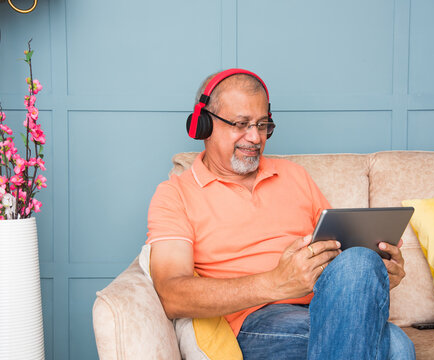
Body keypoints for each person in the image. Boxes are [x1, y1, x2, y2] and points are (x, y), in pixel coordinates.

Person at [146, 69, 415, 359]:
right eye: (241, 124)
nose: (255, 137)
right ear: (204, 125)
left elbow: (340, 254)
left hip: (321, 305)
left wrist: (375, 274)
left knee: (361, 261)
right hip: (253, 322)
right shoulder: (175, 194)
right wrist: (274, 282)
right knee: (396, 346)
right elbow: (172, 295)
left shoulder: (294, 176)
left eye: (262, 125)